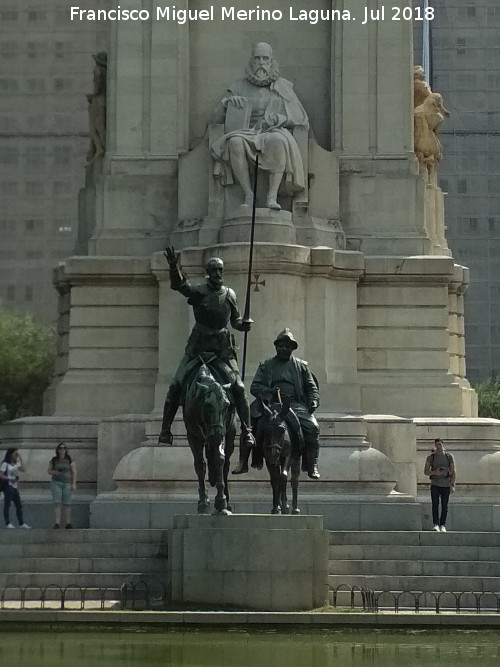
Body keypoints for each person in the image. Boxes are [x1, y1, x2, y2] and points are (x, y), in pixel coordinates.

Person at [158, 248, 255, 451]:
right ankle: (165, 430)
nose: (217, 274)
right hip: (198, 349)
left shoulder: (230, 294)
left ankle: (247, 430)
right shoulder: (199, 291)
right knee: (176, 386)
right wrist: (173, 267)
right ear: (208, 272)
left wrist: (242, 324)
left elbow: (234, 319)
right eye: (214, 270)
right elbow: (179, 285)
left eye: (220, 270)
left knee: (238, 387)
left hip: (222, 350)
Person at [211, 42, 309, 210]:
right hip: (246, 132)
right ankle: (248, 194)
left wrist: (278, 119)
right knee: (234, 142)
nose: (261, 63)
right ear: (251, 62)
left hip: (272, 131)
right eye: (257, 59)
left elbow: (300, 118)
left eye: (265, 58)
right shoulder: (238, 86)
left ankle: (272, 196)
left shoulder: (282, 87)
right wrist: (227, 103)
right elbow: (216, 119)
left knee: (278, 140)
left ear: (272, 61)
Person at [233, 328, 320, 478]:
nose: (284, 349)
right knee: (249, 424)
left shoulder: (301, 366)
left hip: (294, 404)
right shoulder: (266, 365)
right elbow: (255, 387)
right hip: (269, 403)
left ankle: (312, 465)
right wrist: (269, 391)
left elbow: (311, 387)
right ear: (276, 347)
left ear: (292, 348)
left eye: (287, 346)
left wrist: (313, 400)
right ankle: (244, 462)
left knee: (312, 427)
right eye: (281, 346)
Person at [424, 438, 456, 532]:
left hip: (445, 484)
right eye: (436, 445)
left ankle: (443, 524)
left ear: (443, 445)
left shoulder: (449, 456)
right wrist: (435, 472)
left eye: (440, 445)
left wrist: (452, 484)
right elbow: (425, 471)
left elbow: (453, 471)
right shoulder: (431, 457)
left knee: (444, 505)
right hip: (435, 483)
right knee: (435, 504)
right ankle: (435, 523)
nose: (438, 447)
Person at [47, 442, 76, 529]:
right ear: (58, 450)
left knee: (67, 503)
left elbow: (74, 471)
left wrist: (73, 483)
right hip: (56, 482)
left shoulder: (70, 459)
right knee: (57, 502)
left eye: (64, 448)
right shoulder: (54, 460)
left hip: (67, 482)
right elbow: (49, 471)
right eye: (60, 448)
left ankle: (68, 523)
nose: (62, 450)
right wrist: (55, 472)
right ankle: (57, 523)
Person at [0, 448, 31, 529]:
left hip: (15, 487)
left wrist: (20, 458)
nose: (15, 455)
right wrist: (10, 479)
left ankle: (21, 522)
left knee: (19, 505)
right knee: (7, 504)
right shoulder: (5, 464)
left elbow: (23, 469)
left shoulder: (16, 464)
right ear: (10, 454)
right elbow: (1, 475)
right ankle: (7, 522)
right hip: (8, 486)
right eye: (15, 454)